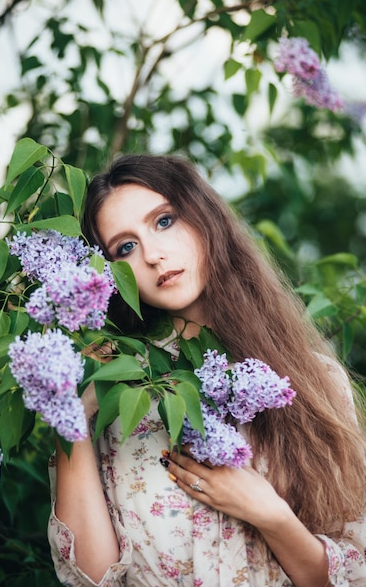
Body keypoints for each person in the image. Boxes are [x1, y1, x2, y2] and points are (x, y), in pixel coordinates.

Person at [47, 154, 366, 586]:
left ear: (204, 216)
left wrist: (270, 514)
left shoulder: (314, 380)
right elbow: (91, 577)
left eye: (163, 221)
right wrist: (74, 422)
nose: (154, 256)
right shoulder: (118, 391)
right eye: (126, 247)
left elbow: (355, 569)